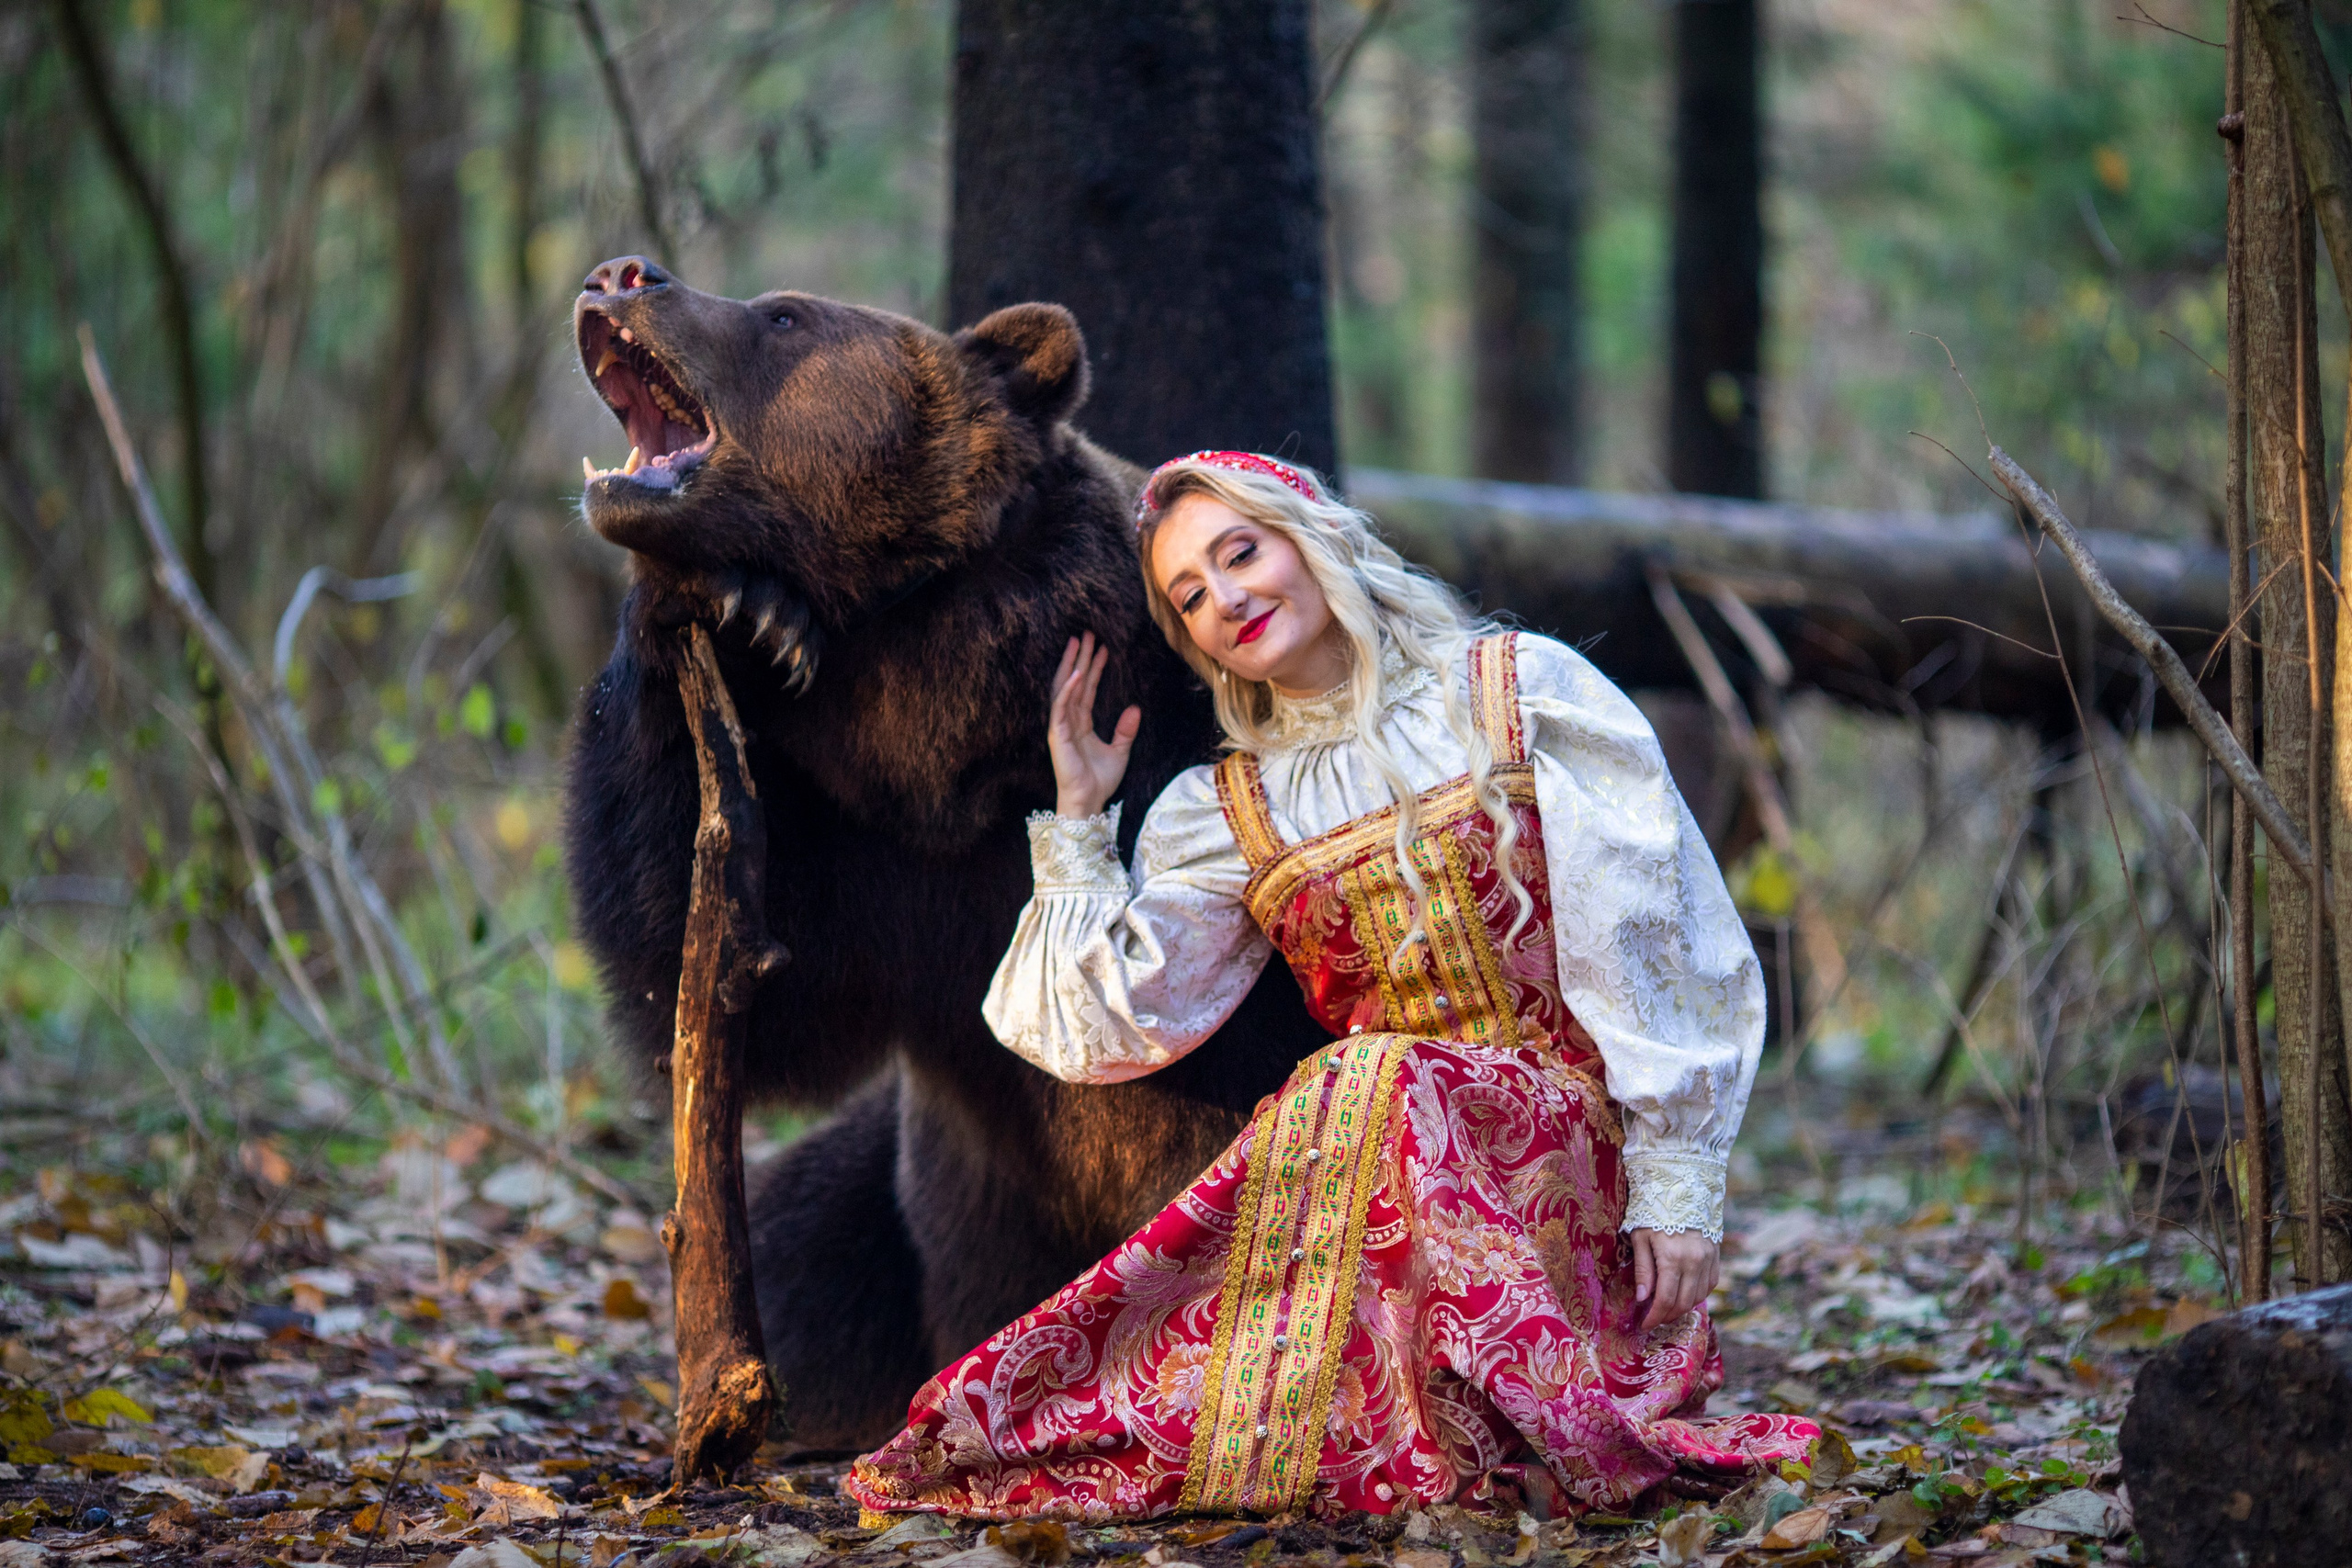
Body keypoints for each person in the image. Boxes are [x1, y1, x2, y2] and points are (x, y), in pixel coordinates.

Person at [845, 451, 1816, 1522]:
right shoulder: (1228, 811)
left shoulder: (1518, 692)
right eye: (1190, 596)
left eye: (1240, 553)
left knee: (1377, 1076)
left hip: (1571, 1160)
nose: (1227, 599)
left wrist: (1679, 1183)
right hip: (1388, 1177)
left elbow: (1651, 930)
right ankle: (1377, 1408)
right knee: (1368, 1084)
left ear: (1310, 536)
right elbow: (1095, 1031)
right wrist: (1080, 821)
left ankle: (1514, 1397)